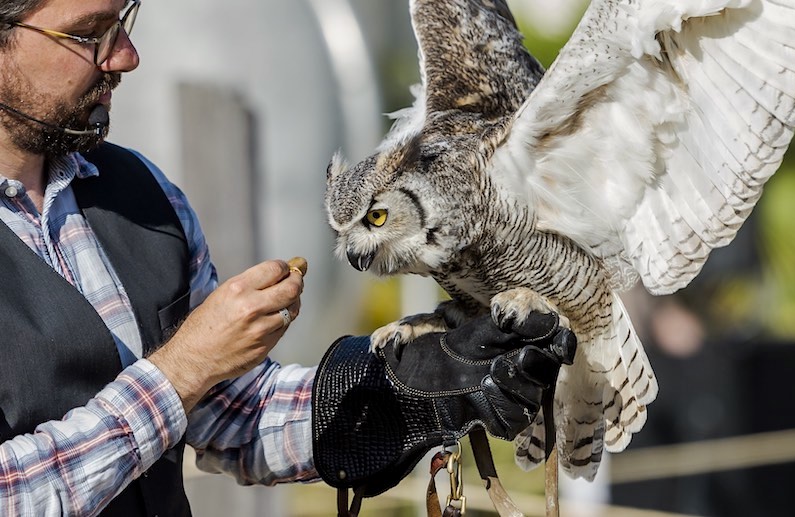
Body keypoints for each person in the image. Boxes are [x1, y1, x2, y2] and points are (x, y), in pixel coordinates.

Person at [0, 0, 576, 515]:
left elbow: (234, 414)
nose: (124, 57)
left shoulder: (144, 195)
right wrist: (182, 371)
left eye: (123, 22)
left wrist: (402, 389)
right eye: (86, 34)